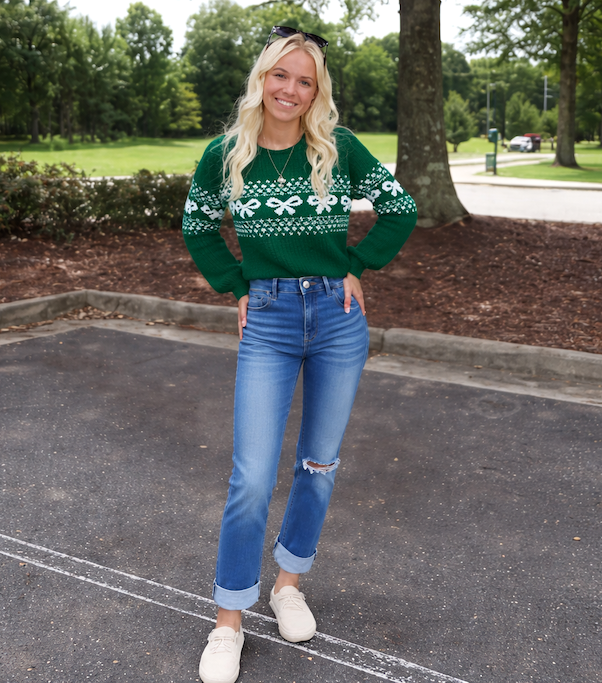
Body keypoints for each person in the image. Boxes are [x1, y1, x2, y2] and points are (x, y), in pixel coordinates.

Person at [181, 25, 417, 683]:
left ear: (317, 92)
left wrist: (358, 265)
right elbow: (197, 225)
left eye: (304, 81)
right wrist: (236, 284)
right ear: (263, 79)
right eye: (280, 75)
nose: (290, 89)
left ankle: (288, 584)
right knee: (252, 477)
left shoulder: (337, 148)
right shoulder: (226, 153)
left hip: (338, 319)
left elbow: (400, 208)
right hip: (270, 318)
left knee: (318, 463)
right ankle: (228, 621)